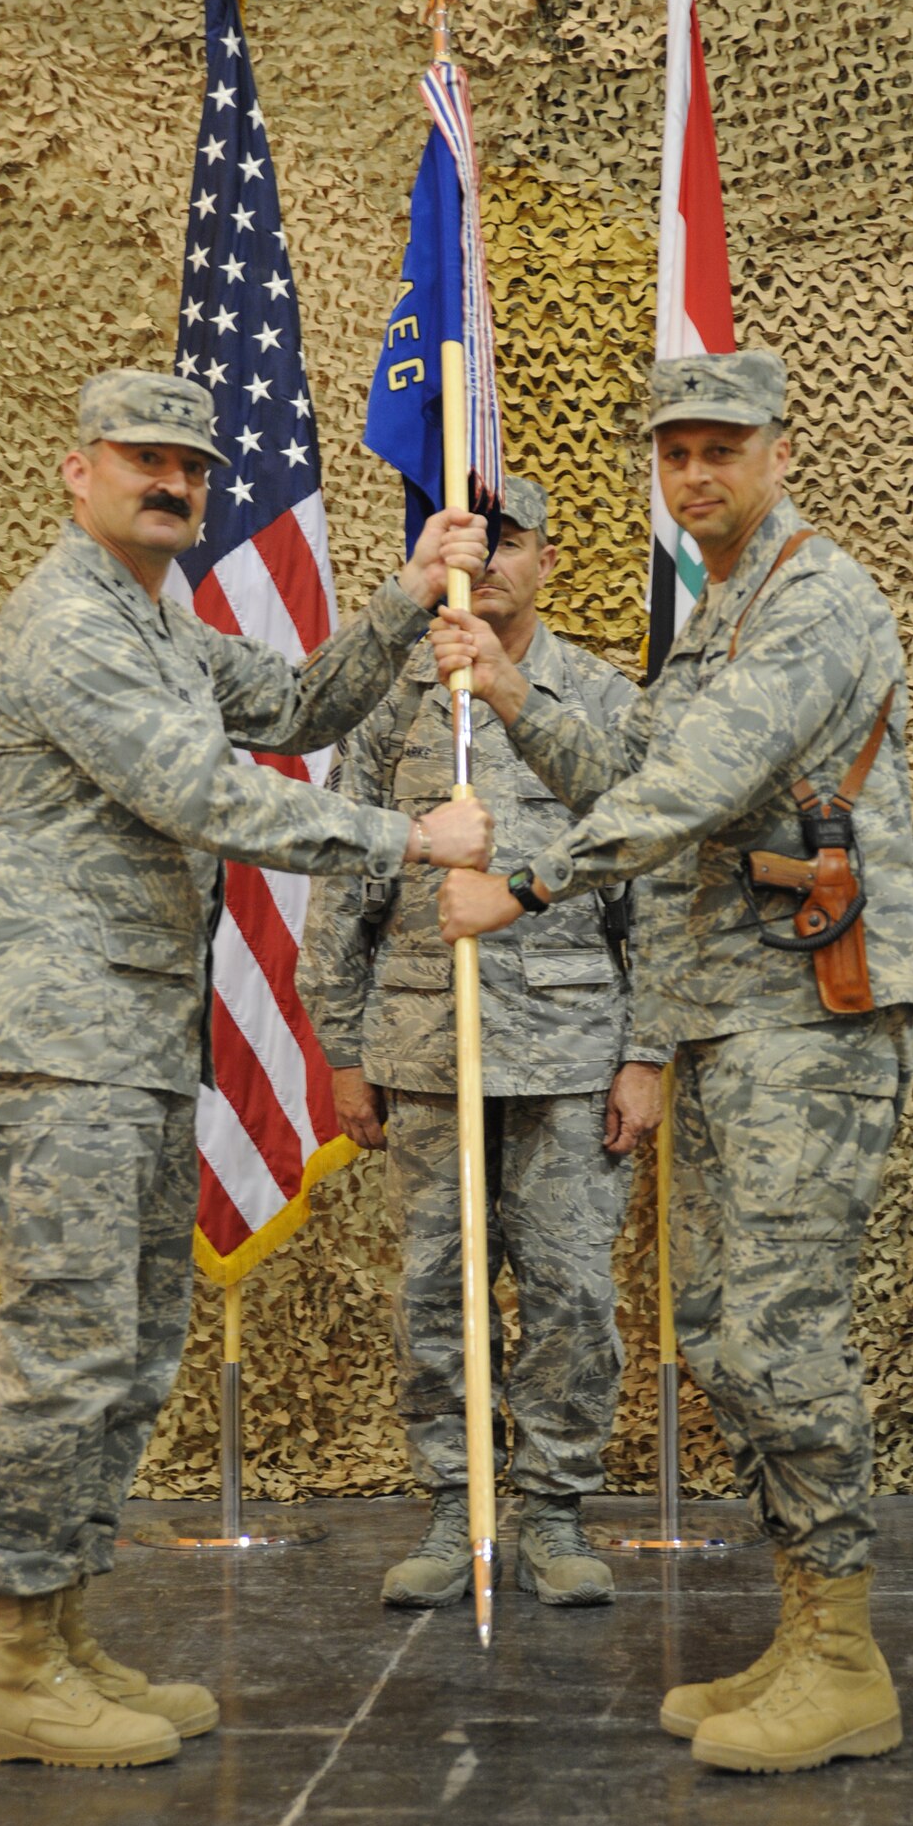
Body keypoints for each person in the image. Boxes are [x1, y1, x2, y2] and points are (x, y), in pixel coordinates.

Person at [0, 369, 493, 1769]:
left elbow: (303, 705)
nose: (173, 480)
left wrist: (406, 588)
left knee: (124, 1348)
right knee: (67, 1345)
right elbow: (198, 792)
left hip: (125, 1036)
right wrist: (402, 843)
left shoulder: (164, 628)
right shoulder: (69, 623)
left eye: (190, 462)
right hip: (59, 1037)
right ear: (79, 473)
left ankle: (59, 1629)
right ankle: (9, 1661)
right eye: (142, 458)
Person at [432, 351, 913, 1775]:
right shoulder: (717, 613)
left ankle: (848, 1660)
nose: (695, 474)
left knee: (779, 1339)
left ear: (781, 452)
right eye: (673, 453)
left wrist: (521, 886)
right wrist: (514, 690)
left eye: (721, 447)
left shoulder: (814, 605)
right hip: (730, 1014)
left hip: (811, 1021)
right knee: (717, 1332)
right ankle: (804, 1629)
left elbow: (693, 789)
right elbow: (625, 761)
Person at [299, 477, 666, 1612]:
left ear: (547, 561)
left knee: (566, 1290)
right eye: (469, 537)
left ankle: (552, 1509)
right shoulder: (389, 697)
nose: (489, 559)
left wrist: (646, 1051)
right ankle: (453, 1504)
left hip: (568, 1046)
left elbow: (653, 884)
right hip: (421, 1043)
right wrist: (341, 1044)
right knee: (435, 1288)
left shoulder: (601, 698)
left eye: (511, 541)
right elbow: (340, 878)